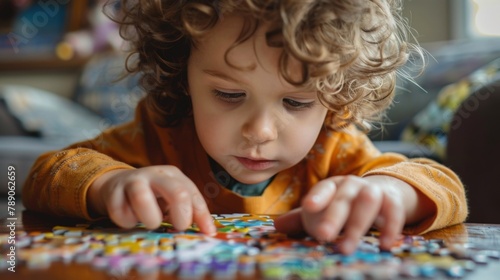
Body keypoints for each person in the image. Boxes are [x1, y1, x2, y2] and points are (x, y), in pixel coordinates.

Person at [22, 0, 467, 255]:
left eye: (295, 102)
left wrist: (392, 192)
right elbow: (45, 174)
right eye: (229, 95)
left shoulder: (336, 148)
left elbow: (441, 184)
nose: (260, 131)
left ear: (334, 98)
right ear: (183, 75)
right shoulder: (160, 133)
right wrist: (109, 183)